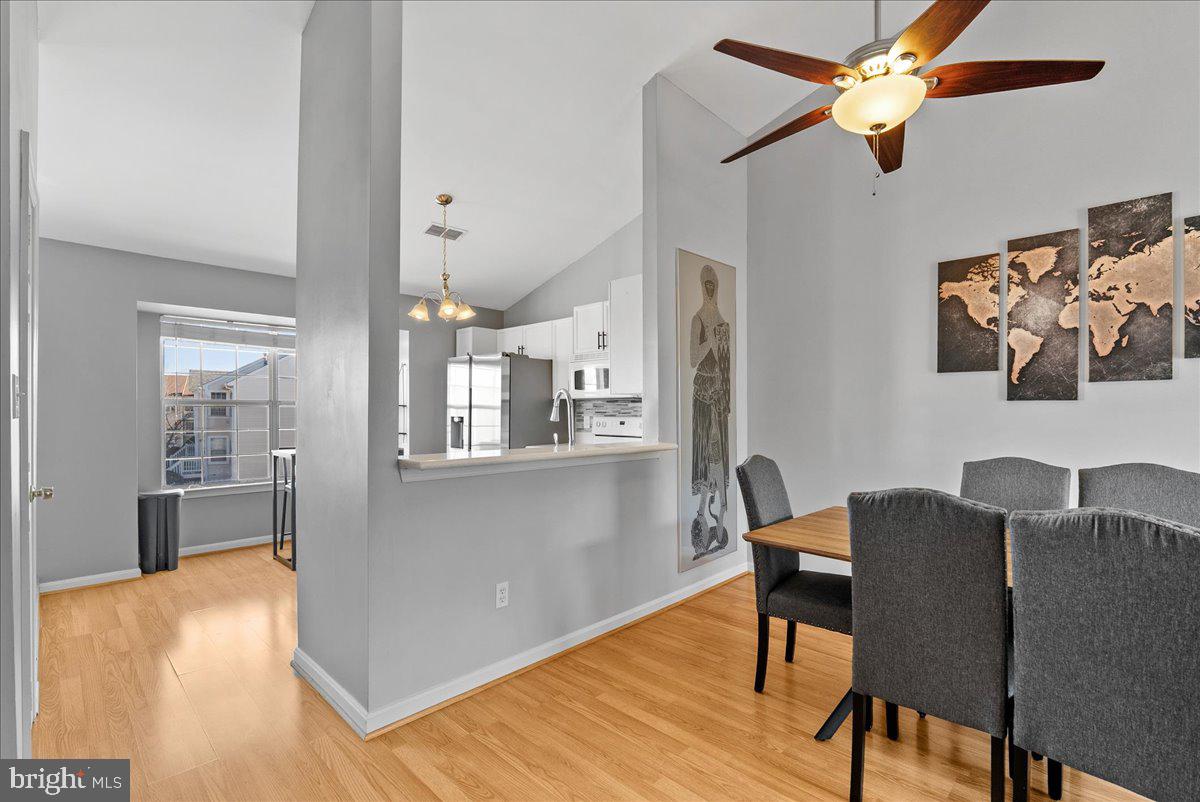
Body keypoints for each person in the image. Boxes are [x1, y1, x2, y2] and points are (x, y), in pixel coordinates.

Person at [688, 264, 731, 558]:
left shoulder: (723, 321)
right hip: (703, 397)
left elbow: (726, 364)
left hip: (718, 398)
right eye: (707, 285)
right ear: (702, 287)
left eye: (713, 285)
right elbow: (693, 357)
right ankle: (702, 514)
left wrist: (726, 399)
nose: (710, 290)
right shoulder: (697, 320)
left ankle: (720, 513)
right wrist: (710, 343)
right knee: (706, 454)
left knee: (719, 458)